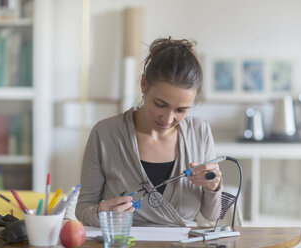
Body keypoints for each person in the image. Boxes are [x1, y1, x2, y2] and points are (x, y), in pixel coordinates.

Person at [75, 37, 223, 227]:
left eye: (181, 110)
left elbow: (212, 215)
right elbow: (83, 209)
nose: (168, 119)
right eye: (160, 105)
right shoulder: (105, 134)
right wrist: (100, 213)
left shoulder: (199, 131)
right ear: (144, 84)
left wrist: (213, 186)